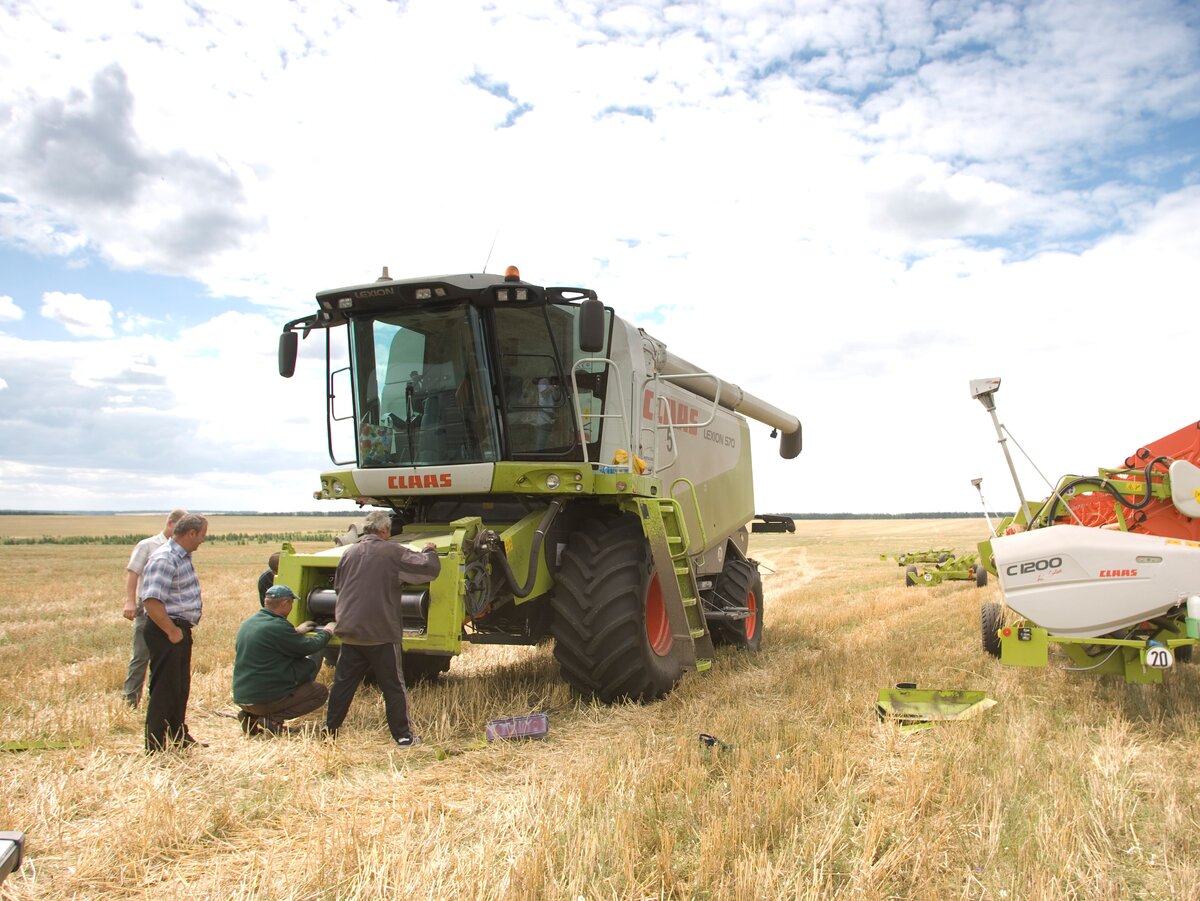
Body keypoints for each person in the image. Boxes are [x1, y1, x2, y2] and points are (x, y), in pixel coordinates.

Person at [325, 509, 440, 747]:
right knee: (393, 687)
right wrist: (430, 550)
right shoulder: (392, 551)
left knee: (343, 685)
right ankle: (403, 736)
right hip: (380, 634)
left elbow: (339, 587)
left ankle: (330, 731)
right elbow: (428, 570)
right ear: (385, 530)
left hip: (350, 630)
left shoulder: (349, 552)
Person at [139, 513, 209, 753]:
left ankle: (179, 735)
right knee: (164, 689)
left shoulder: (182, 556)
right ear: (191, 533)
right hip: (166, 630)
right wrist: (172, 631)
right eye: (202, 535)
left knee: (179, 687)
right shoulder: (165, 558)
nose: (202, 540)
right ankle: (155, 744)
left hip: (178, 629)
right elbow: (151, 600)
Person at [233, 585, 336, 736]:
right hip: (262, 699)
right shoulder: (277, 627)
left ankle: (251, 716)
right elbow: (309, 647)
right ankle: (273, 719)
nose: (292, 606)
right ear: (284, 603)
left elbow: (271, 642)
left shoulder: (249, 623)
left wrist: (296, 631)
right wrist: (327, 631)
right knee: (320, 692)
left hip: (243, 697)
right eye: (291, 603)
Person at [120, 509, 187, 707]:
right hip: (148, 605)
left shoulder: (180, 549)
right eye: (181, 527)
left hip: (172, 609)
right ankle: (130, 700)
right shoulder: (148, 545)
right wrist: (130, 601)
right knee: (141, 655)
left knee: (165, 658)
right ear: (171, 524)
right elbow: (133, 574)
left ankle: (157, 701)